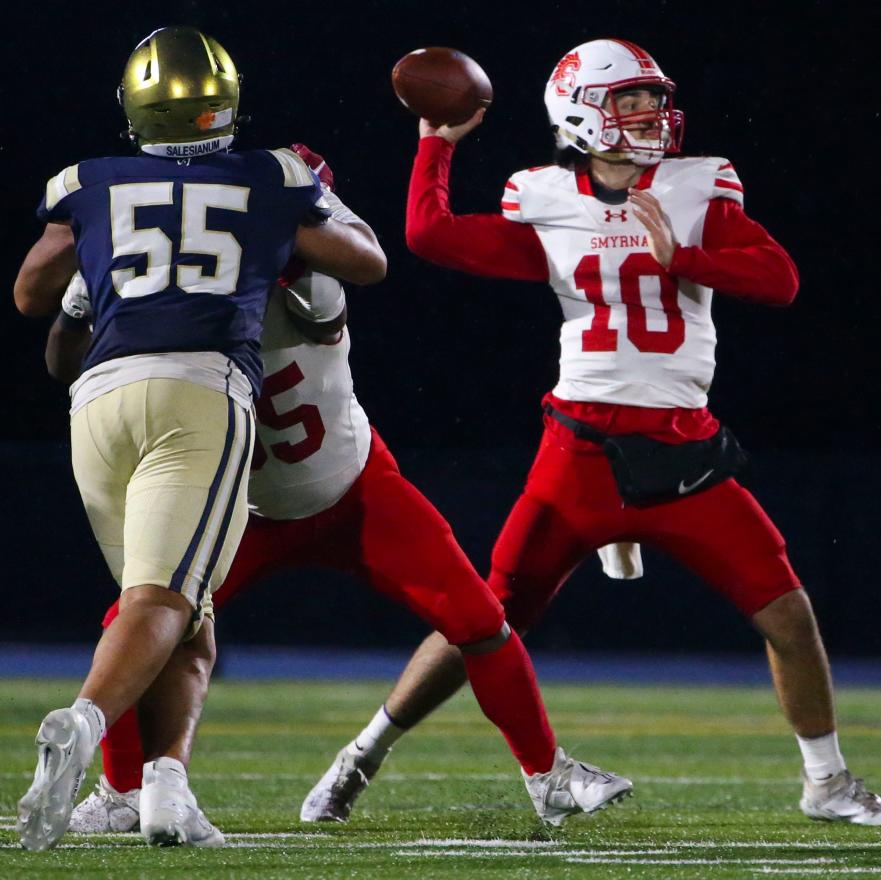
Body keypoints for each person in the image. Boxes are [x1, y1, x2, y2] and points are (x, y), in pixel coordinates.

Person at [303, 38, 881, 827]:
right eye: (632, 100)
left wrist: (686, 255)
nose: (653, 114)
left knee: (787, 614)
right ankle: (362, 756)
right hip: (580, 453)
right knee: (482, 619)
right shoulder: (546, 196)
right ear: (582, 113)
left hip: (683, 451)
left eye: (655, 98)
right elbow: (431, 236)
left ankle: (827, 783)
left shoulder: (700, 187)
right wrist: (434, 144)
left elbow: (781, 280)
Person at [52, 148, 634, 834]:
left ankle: (547, 774)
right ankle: (121, 796)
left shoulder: (302, 279)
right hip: (241, 506)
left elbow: (344, 272)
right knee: (136, 629)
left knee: (479, 619)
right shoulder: (199, 285)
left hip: (355, 489)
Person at [13, 26, 386, 851]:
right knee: (164, 601)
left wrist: (94, 282)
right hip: (200, 391)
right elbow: (365, 263)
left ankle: (166, 792)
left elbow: (31, 295)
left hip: (100, 401)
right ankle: (83, 724)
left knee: (185, 614)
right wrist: (280, 228)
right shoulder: (268, 174)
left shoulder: (88, 181)